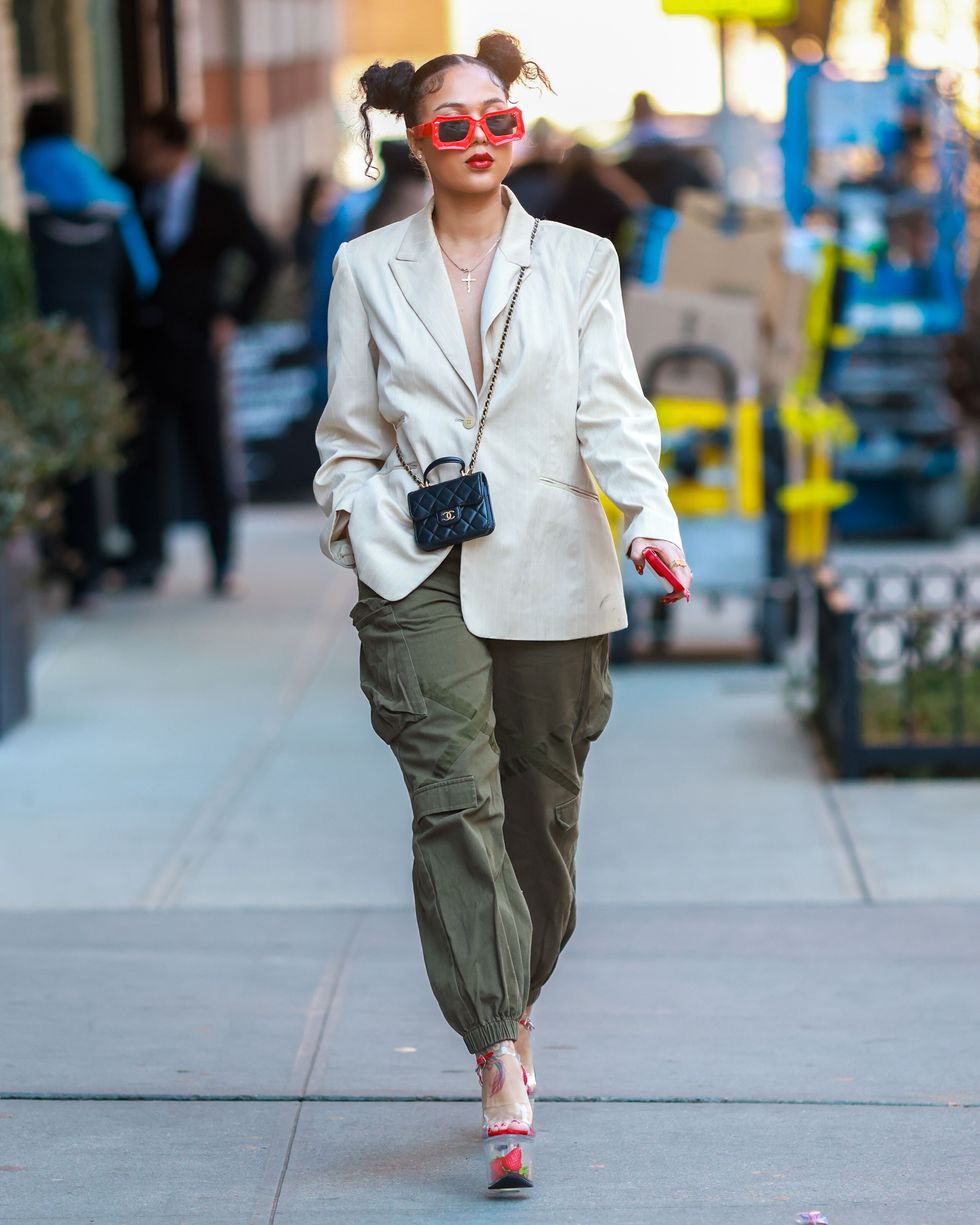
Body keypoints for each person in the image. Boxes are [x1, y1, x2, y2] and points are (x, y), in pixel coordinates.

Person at [312, 31, 690, 1194]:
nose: (478, 137)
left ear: (515, 126)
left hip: (550, 570)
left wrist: (648, 520)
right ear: (415, 140)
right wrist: (359, 524)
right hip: (416, 567)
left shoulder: (577, 260)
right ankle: (493, 1049)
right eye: (451, 122)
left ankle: (513, 994)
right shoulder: (367, 268)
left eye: (495, 116)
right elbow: (344, 438)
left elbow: (611, 413)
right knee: (452, 799)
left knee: (542, 818)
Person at [117, 111, 276, 595]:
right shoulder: (125, 188)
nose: (142, 159)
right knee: (143, 454)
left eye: (149, 149)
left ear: (174, 149)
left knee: (206, 451)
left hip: (195, 343)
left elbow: (265, 256)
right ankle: (147, 557)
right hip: (142, 344)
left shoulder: (217, 197)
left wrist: (233, 316)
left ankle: (222, 560)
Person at [20, 97, 159, 608]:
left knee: (44, 460)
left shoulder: (17, 182)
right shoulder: (107, 190)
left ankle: (61, 561)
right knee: (92, 454)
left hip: (32, 353)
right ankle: (94, 568)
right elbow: (143, 276)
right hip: (97, 346)